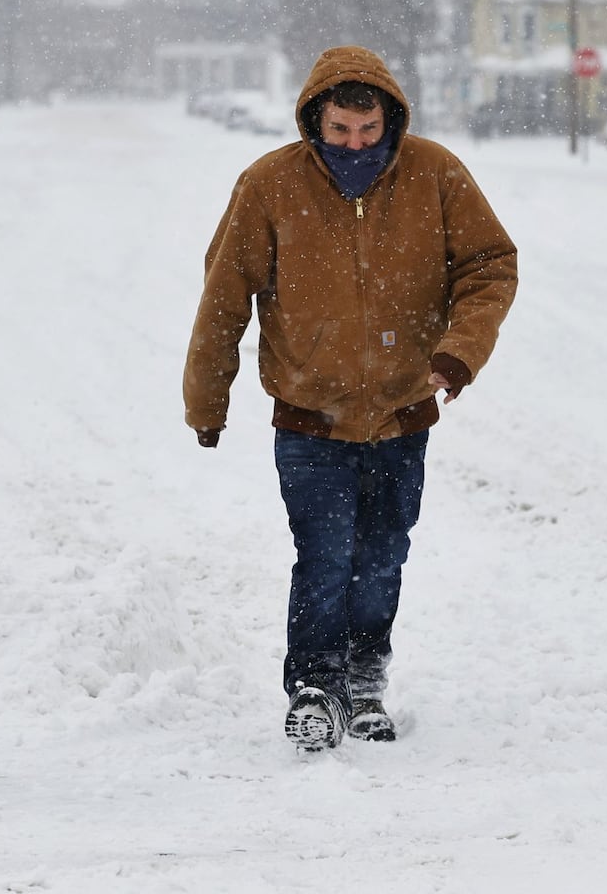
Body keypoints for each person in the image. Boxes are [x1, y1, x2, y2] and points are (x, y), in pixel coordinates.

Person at [182, 46, 518, 751]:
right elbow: (223, 298)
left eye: (368, 133)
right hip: (308, 414)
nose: (355, 146)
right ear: (316, 121)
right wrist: (207, 401)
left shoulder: (435, 174)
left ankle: (365, 682)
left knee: (383, 555)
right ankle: (314, 686)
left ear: (390, 120)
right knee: (325, 554)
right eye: (341, 132)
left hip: (403, 408)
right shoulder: (269, 185)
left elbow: (491, 265)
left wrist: (458, 354)